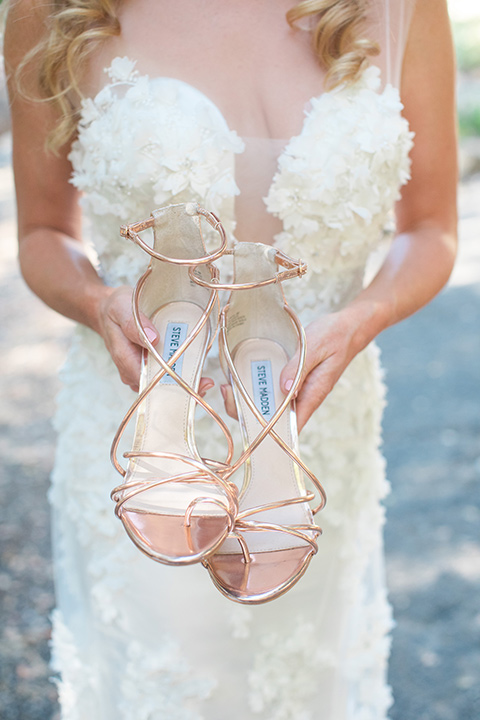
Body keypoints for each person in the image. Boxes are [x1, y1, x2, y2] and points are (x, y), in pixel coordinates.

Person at [4, 0, 457, 717]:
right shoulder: (55, 10)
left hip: (317, 432)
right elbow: (40, 234)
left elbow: (432, 229)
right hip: (136, 413)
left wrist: (362, 317)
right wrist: (98, 303)